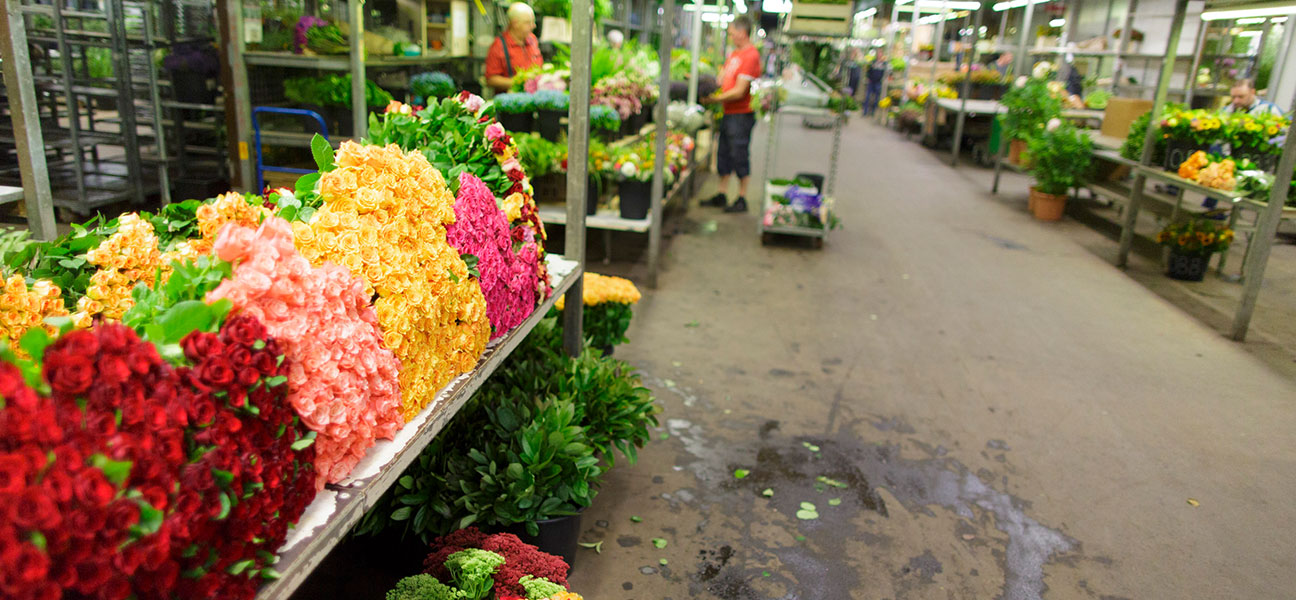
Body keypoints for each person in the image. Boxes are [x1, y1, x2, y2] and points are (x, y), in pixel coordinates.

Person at [700, 15, 761, 213]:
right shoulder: (735, 54)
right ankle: (722, 193)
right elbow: (722, 79)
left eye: (733, 33)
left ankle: (742, 198)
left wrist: (715, 100)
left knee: (739, 154)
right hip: (728, 113)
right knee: (724, 153)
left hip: (741, 115)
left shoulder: (751, 56)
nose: (731, 36)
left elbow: (739, 91)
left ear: (743, 33)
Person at [485, 3, 543, 93]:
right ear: (515, 23)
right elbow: (490, 80)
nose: (533, 26)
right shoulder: (499, 45)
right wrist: (518, 83)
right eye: (528, 22)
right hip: (511, 101)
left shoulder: (532, 39)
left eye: (533, 22)